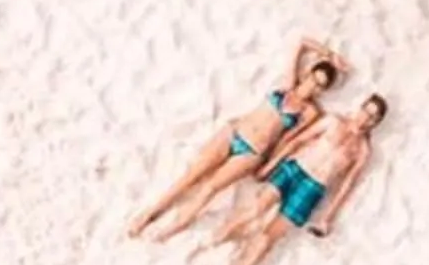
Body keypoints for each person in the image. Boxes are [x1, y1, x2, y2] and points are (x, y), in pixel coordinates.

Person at [127, 39, 348, 242]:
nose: (314, 87)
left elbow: (289, 140)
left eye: (320, 86)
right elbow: (301, 43)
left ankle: (171, 229)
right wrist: (329, 56)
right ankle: (149, 214)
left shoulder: (310, 112)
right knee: (191, 176)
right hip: (234, 132)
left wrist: (270, 164)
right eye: (314, 80)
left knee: (211, 187)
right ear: (308, 74)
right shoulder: (287, 85)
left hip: (252, 152)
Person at [192, 93, 385, 265]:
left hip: (314, 187)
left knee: (267, 238)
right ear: (360, 108)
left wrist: (328, 216)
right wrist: (272, 163)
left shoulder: (362, 150)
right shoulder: (333, 121)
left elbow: (348, 184)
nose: (365, 119)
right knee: (256, 210)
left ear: (375, 123)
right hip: (295, 168)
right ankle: (212, 242)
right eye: (366, 112)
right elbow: (299, 140)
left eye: (372, 118)